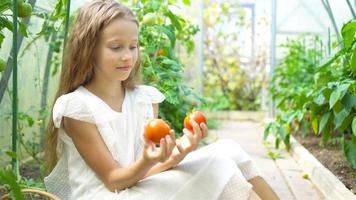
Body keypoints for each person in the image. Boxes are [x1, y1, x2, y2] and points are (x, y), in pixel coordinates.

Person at [44, 0, 279, 199]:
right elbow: (114, 181)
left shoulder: (143, 99)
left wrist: (178, 154)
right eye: (115, 47)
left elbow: (144, 173)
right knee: (219, 165)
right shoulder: (77, 108)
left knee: (230, 149)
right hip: (107, 195)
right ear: (88, 49)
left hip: (135, 187)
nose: (127, 56)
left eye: (133, 46)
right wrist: (148, 161)